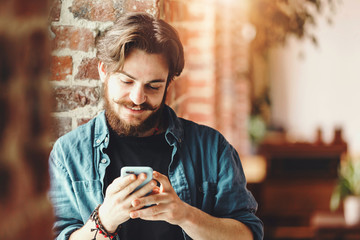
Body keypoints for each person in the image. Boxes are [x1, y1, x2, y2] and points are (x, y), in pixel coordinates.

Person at [49, 12, 264, 240]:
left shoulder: (212, 148)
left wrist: (184, 215)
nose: (138, 97)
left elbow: (247, 234)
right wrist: (105, 220)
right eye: (126, 81)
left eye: (153, 86)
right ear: (103, 70)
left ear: (169, 83)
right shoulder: (69, 154)